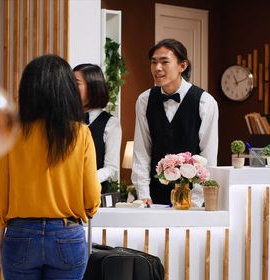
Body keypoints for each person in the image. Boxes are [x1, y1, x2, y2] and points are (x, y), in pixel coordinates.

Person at [0, 55, 101, 280]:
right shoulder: (80, 134)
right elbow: (91, 198)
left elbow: (2, 191)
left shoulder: (12, 134)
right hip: (67, 234)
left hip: (20, 234)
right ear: (67, 91)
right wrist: (87, 210)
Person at [132, 38, 219, 205]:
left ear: (182, 66)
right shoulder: (144, 100)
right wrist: (143, 194)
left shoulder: (205, 102)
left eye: (164, 62)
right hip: (153, 196)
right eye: (154, 62)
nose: (157, 68)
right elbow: (141, 151)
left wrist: (195, 200)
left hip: (192, 198)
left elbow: (208, 157)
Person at [73, 64, 121, 194]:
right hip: (65, 195)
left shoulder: (111, 123)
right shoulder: (64, 119)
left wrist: (83, 180)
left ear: (92, 87)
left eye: (76, 83)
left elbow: (110, 168)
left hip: (94, 195)